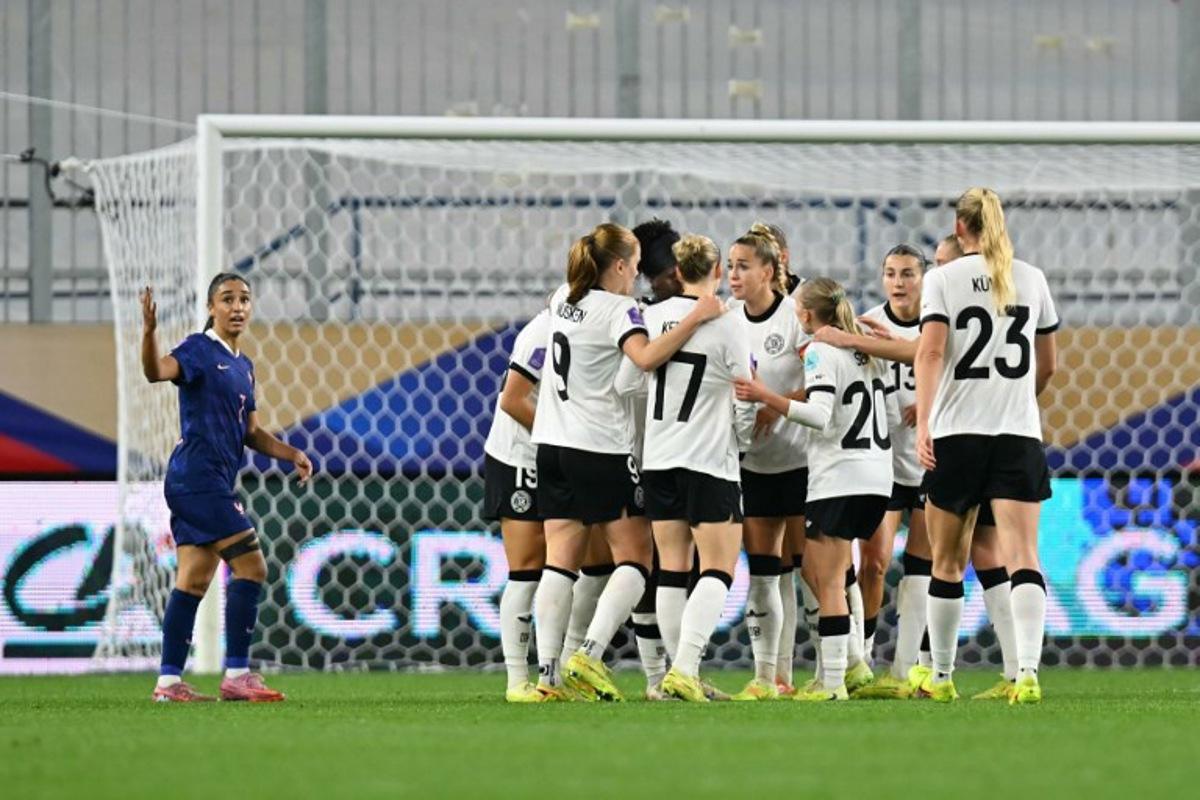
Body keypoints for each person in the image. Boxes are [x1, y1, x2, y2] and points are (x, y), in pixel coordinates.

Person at [530, 222, 721, 702]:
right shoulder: (621, 310)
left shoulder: (561, 297)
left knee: (559, 561)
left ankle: (548, 677)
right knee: (638, 557)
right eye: (635, 265)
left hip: (551, 443)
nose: (639, 274)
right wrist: (696, 317)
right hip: (599, 446)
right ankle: (589, 654)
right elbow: (646, 358)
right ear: (618, 265)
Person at [915, 188, 1058, 704]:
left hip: (958, 434)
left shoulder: (942, 279)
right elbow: (1048, 366)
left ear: (959, 228)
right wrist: (1016, 398)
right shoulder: (1032, 278)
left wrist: (924, 422)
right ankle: (1026, 675)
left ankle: (943, 677)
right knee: (1024, 556)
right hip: (1018, 434)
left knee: (947, 562)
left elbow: (930, 352)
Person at [141, 275, 312, 702]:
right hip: (196, 479)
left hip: (205, 481)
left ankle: (167, 684)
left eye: (244, 299)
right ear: (210, 307)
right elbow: (155, 371)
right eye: (227, 299)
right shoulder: (199, 351)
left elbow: (251, 432)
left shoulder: (244, 365)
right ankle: (237, 674)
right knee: (252, 567)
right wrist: (148, 333)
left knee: (193, 581)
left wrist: (291, 453)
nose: (237, 307)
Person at [736, 277, 895, 701]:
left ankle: (833, 683)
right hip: (878, 477)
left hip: (839, 478)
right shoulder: (866, 350)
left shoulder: (823, 351)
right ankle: (852, 669)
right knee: (823, 573)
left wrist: (767, 396)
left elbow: (820, 416)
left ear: (805, 315)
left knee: (826, 581)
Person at [627, 234, 755, 701]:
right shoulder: (728, 321)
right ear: (717, 271)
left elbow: (629, 381)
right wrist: (739, 438)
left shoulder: (650, 317)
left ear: (677, 273)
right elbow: (745, 391)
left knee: (672, 570)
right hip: (709, 459)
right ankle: (685, 667)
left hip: (659, 457)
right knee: (718, 568)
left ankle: (675, 677)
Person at [725, 224, 808, 700]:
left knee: (815, 575)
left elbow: (824, 383)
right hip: (752, 465)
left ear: (771, 270)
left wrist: (773, 402)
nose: (733, 275)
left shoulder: (796, 318)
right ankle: (767, 677)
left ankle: (834, 669)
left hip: (800, 462)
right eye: (730, 266)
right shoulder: (728, 319)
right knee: (763, 574)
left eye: (742, 266)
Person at [847, 244, 929, 699]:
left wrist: (932, 401)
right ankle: (863, 657)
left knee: (922, 569)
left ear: (925, 278)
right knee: (874, 564)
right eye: (892, 274)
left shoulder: (940, 323)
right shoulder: (868, 324)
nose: (899, 282)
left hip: (931, 462)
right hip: (884, 464)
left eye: (909, 274)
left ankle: (905, 670)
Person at [483, 309, 551, 702]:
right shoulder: (542, 331)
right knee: (526, 569)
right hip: (520, 457)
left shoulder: (603, 322)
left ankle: (556, 673)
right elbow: (513, 401)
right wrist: (558, 437)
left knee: (565, 568)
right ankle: (516, 680)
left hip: (561, 457)